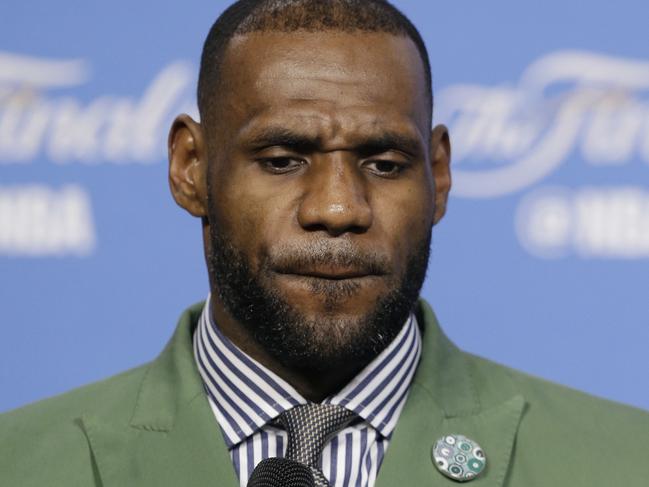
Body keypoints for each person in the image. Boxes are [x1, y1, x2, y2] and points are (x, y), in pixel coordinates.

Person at [2, 1, 648, 486]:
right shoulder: (22, 461)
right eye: (282, 158)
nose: (337, 208)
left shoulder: (623, 461)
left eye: (385, 162)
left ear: (440, 175)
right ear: (190, 167)